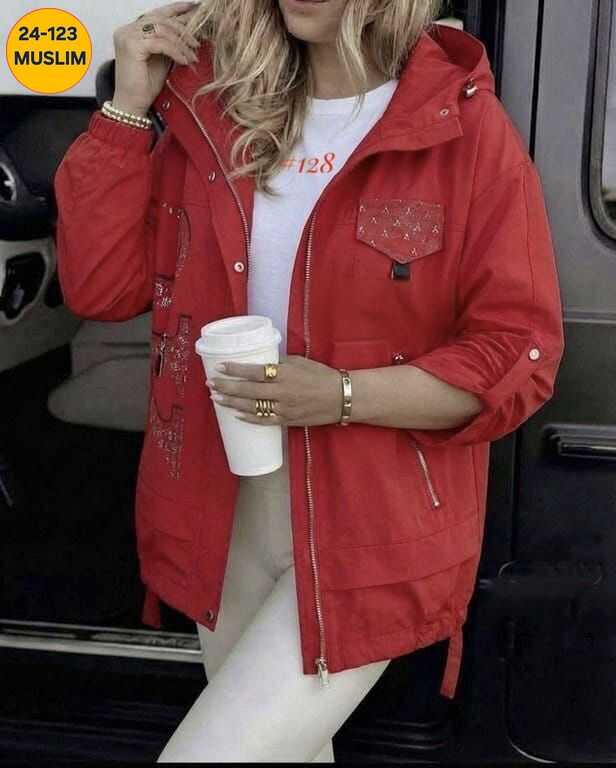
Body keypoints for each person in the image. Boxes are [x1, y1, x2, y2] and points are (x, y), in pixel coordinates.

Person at [53, 0, 566, 762]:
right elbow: (101, 287)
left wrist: (340, 395)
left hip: (371, 530)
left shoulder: (462, 129)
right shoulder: (220, 117)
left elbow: (518, 352)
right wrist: (128, 106)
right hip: (222, 508)